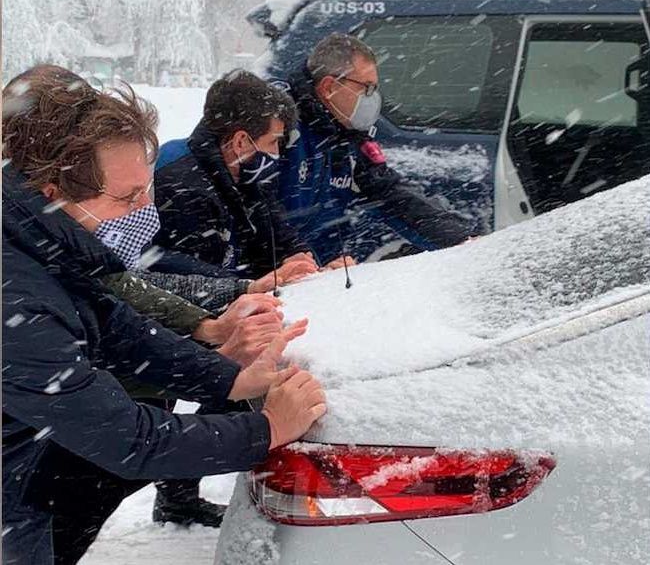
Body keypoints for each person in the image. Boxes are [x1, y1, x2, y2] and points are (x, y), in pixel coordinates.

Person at [2, 65, 326, 565]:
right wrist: (266, 430)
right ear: (54, 196)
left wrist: (227, 381)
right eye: (128, 197)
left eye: (146, 188)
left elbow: (118, 327)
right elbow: (130, 440)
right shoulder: (16, 298)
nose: (146, 208)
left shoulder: (46, 239)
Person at [271, 33, 476, 264]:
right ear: (329, 87)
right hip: (271, 281)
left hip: (318, 275)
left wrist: (461, 239)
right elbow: (256, 214)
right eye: (366, 88)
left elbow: (389, 193)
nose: (372, 98)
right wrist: (290, 263)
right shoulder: (276, 127)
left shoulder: (346, 133)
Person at [153, 70, 347, 277]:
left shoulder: (246, 174)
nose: (277, 153)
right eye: (273, 142)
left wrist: (302, 260)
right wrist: (269, 279)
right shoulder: (183, 186)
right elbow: (198, 282)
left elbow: (274, 233)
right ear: (240, 142)